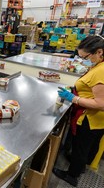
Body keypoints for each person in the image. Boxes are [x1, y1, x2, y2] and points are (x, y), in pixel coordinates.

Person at [53, 35, 104, 187]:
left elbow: (101, 103)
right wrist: (75, 91)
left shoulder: (101, 71)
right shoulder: (98, 66)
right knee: (85, 148)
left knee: (81, 147)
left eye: (85, 57)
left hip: (91, 119)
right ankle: (79, 165)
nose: (82, 60)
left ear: (99, 52)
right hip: (94, 119)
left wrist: (72, 98)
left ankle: (71, 176)